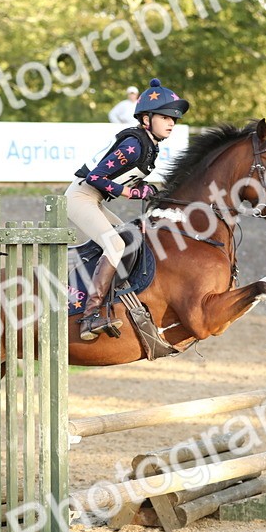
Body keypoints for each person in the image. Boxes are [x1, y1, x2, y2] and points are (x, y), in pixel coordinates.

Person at [66, 78, 188, 341]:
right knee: (117, 245)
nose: (171, 123)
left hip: (93, 199)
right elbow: (95, 179)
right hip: (80, 196)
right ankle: (89, 316)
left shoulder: (147, 145)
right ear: (146, 118)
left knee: (130, 238)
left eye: (174, 119)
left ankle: (109, 297)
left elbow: (121, 178)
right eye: (166, 117)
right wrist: (134, 192)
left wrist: (148, 189)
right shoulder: (134, 145)